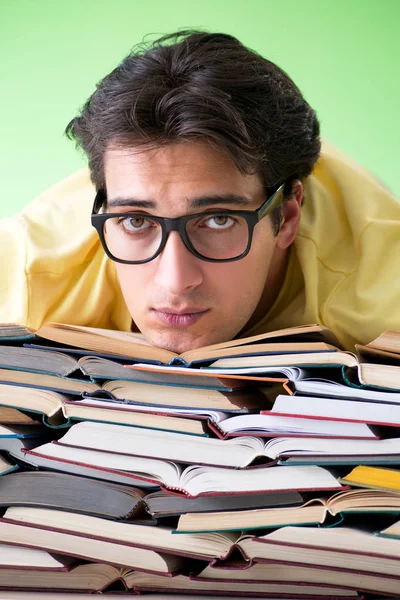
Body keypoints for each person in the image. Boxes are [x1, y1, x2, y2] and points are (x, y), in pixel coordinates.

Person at [1, 31, 399, 352]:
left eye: (218, 219)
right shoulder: (27, 276)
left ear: (288, 216)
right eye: (136, 220)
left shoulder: (385, 298)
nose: (174, 282)